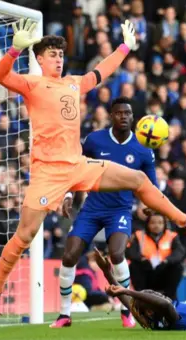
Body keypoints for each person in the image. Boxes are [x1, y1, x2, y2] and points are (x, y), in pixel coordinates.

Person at [0, 19, 186, 324]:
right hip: (47, 173)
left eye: (60, 54)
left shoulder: (72, 83)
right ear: (39, 59)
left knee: (138, 179)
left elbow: (100, 73)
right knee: (24, 236)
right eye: (52, 54)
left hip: (78, 165)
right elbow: (0, 75)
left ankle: (185, 221)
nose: (58, 59)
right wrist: (15, 49)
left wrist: (124, 48)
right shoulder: (32, 84)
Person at [50, 97, 156, 328]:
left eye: (128, 113)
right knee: (69, 256)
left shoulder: (142, 149)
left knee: (117, 254)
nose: (124, 117)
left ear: (133, 117)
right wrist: (68, 195)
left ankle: (128, 309)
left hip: (119, 210)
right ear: (111, 116)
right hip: (92, 208)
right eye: (119, 113)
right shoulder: (95, 140)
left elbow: (152, 187)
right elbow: (76, 169)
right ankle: (65, 314)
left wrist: (149, 206)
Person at [127, 210, 186, 301]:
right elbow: (131, 252)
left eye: (160, 223)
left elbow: (179, 252)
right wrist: (142, 259)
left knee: (178, 267)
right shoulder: (139, 235)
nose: (156, 225)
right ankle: (142, 297)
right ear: (147, 224)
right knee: (134, 266)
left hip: (164, 270)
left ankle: (170, 297)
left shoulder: (172, 236)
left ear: (164, 224)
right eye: (153, 223)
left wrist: (167, 260)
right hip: (146, 270)